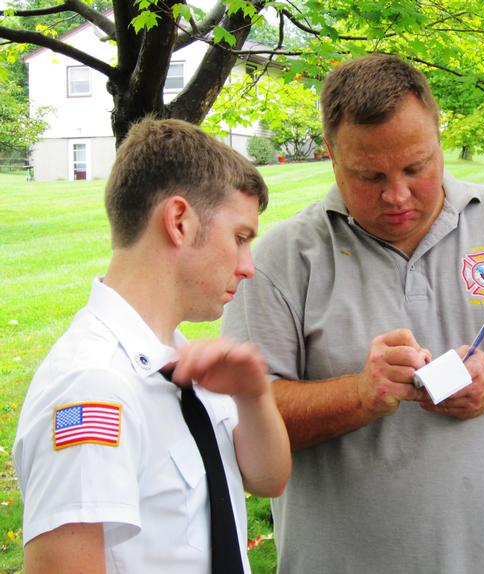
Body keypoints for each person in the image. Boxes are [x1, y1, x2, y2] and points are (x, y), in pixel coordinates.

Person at [221, 54, 484, 574]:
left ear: (439, 133)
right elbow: (239, 423)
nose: (397, 195)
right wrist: (360, 394)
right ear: (331, 155)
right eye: (368, 175)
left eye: (416, 167)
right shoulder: (282, 259)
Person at [12, 118, 291, 574]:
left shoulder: (178, 358)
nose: (248, 267)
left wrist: (253, 396)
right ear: (179, 222)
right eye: (240, 238)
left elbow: (269, 478)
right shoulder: (94, 387)